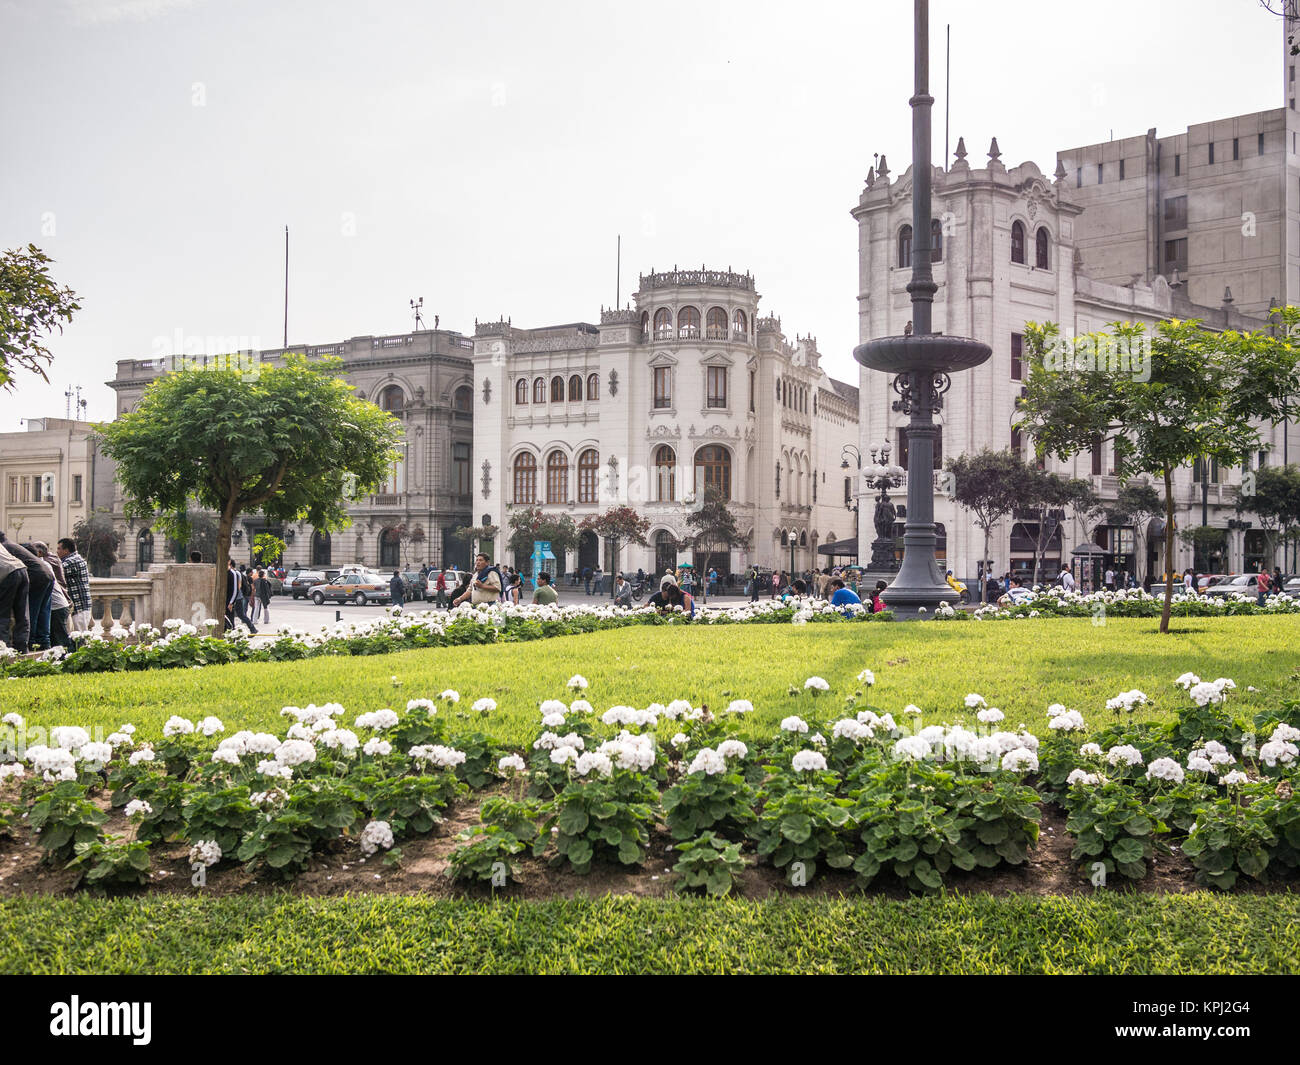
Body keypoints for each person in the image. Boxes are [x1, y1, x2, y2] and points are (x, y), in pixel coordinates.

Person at [3, 536, 54, 651]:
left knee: (30, 612)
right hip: (47, 574)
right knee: (43, 612)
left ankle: (29, 644)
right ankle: (44, 644)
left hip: (34, 577)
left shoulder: (4, 547)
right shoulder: (11, 544)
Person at [56, 537, 91, 633]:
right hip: (80, 606)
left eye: (59, 548)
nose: (57, 551)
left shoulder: (71, 562)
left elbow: (54, 572)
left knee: (80, 638)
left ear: (66, 550)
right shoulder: (76, 559)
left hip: (79, 607)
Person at [0, 539, 29, 652]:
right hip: (21, 569)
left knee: (3, 615)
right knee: (21, 615)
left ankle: (3, 652)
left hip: (7, 574)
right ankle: (22, 650)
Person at [225, 559, 258, 633]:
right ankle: (233, 630)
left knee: (241, 614)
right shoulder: (236, 573)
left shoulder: (236, 573)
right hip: (236, 597)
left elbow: (238, 586)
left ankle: (252, 628)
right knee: (237, 615)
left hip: (237, 597)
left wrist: (232, 600)